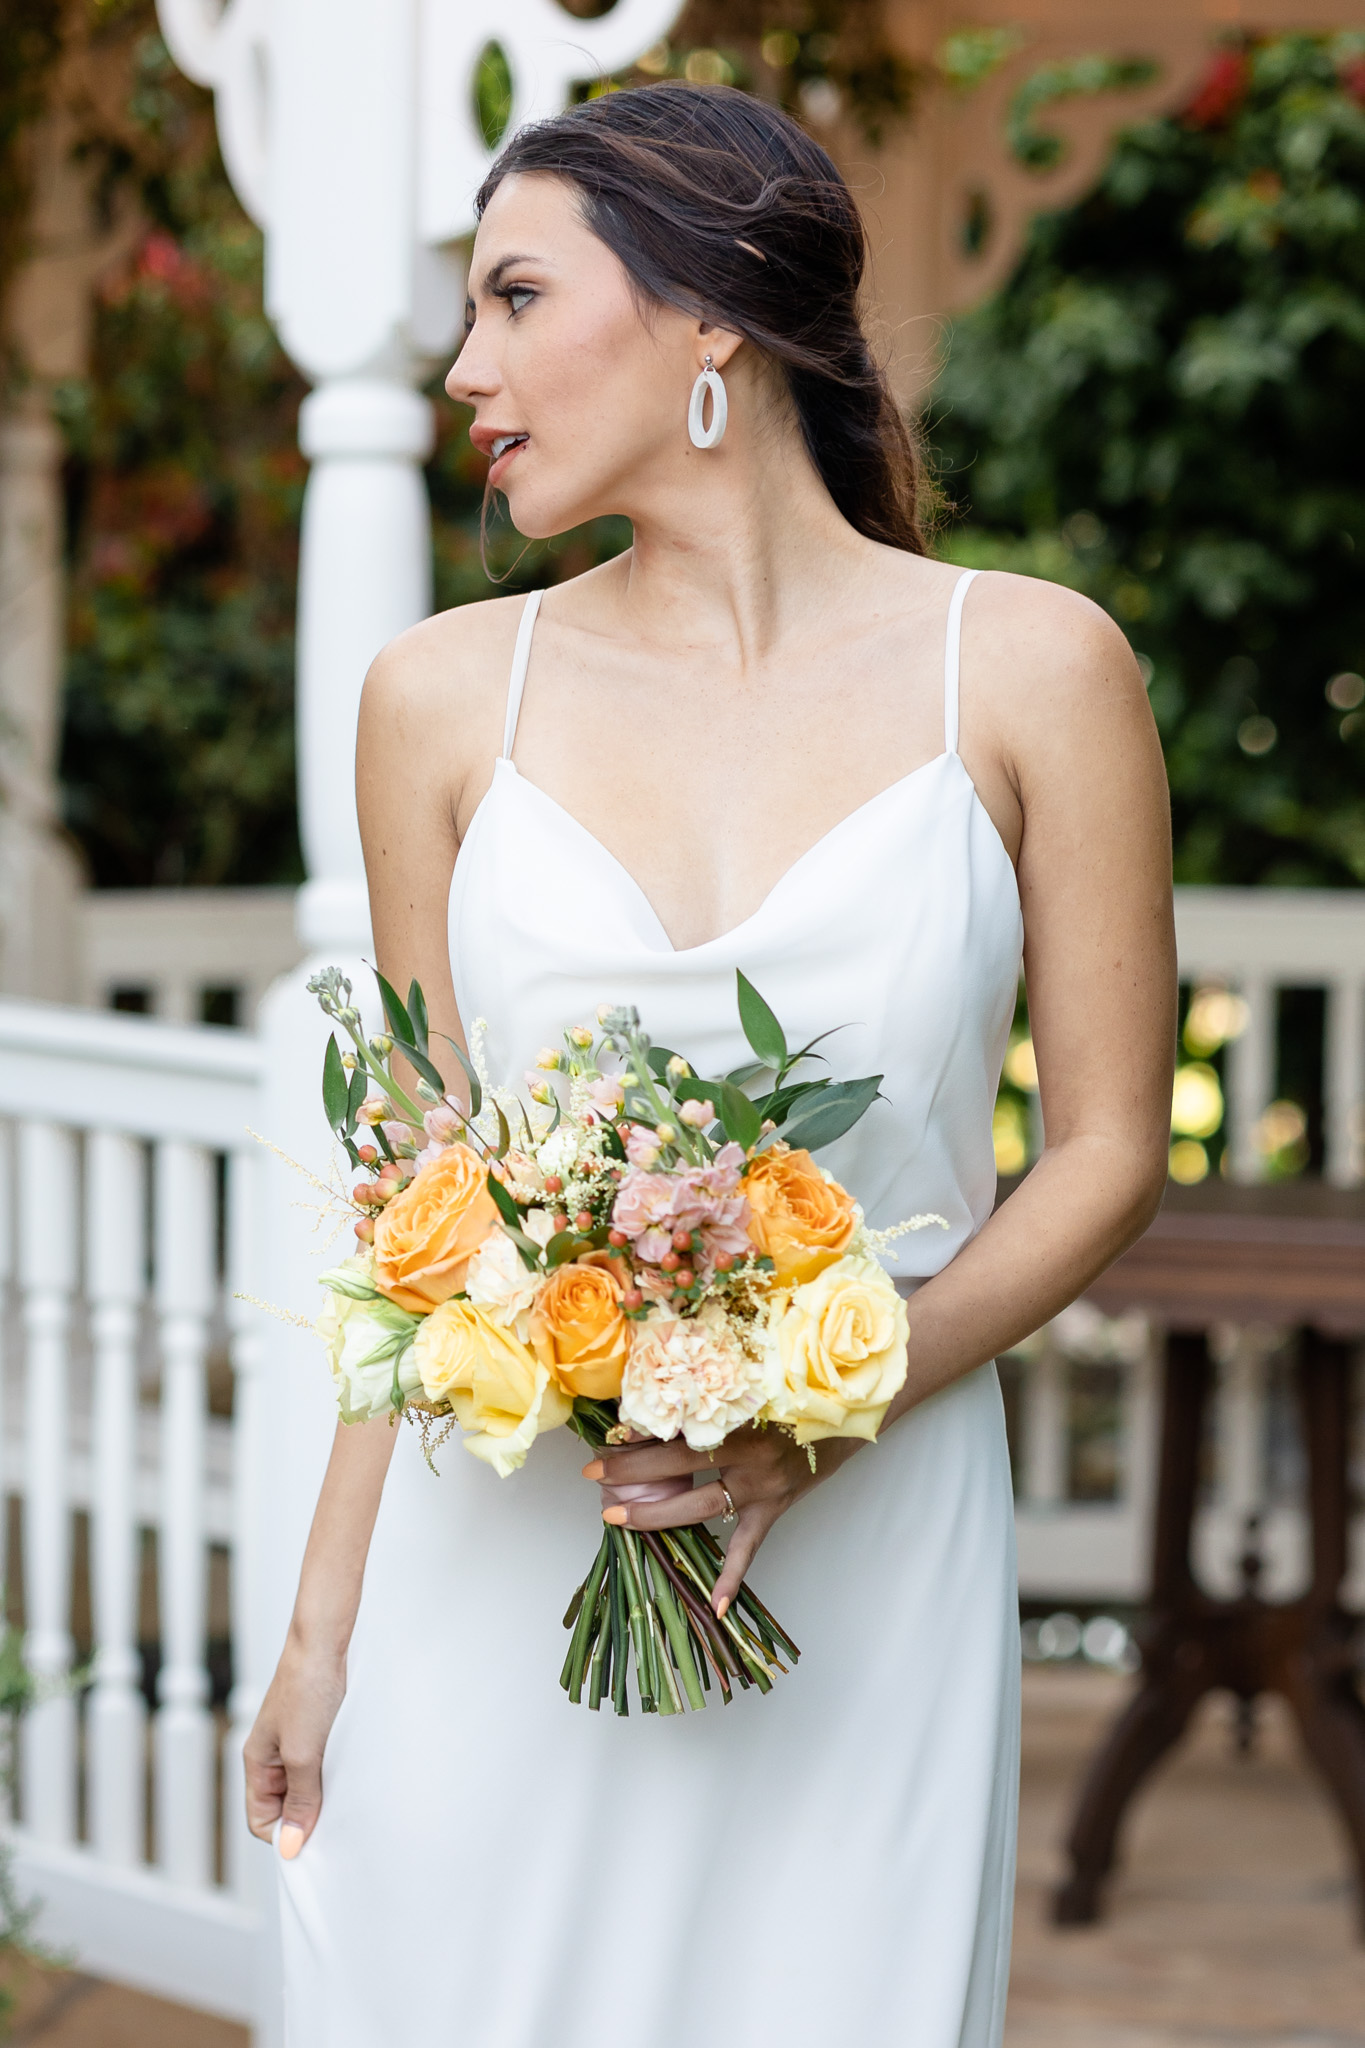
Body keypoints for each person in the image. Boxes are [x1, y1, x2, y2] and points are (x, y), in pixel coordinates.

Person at [245, 83, 1174, 2048]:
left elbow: (1101, 1150)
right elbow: (418, 1207)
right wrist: (320, 1634)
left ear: (709, 317)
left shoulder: (1027, 671)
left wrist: (837, 1395)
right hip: (493, 1565)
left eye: (512, 296)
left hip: (869, 1552)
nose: (467, 368)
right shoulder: (428, 698)